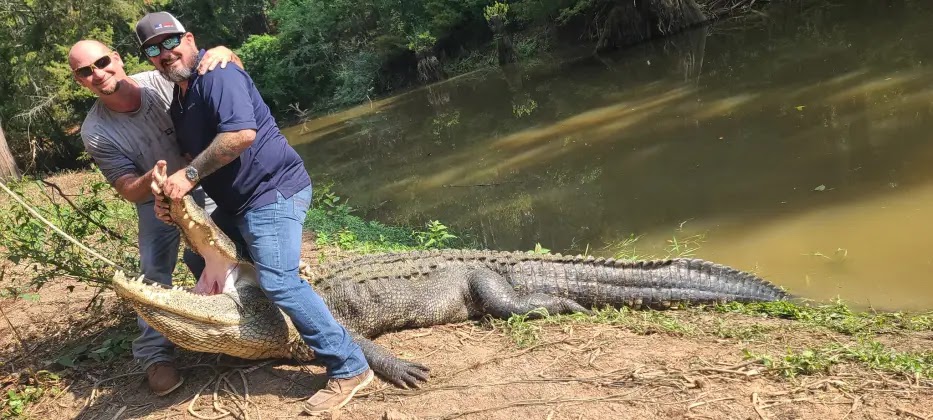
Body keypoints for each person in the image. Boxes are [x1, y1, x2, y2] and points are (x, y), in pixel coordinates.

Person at [137, 12, 374, 415]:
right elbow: (196, 155)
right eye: (153, 49)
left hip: (272, 192)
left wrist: (190, 174)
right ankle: (256, 328)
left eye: (170, 41)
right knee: (198, 256)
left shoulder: (218, 74)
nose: (164, 53)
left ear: (189, 38)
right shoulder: (180, 93)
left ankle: (349, 366)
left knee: (280, 281)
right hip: (237, 203)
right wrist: (171, 197)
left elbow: (241, 134)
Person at [68, 39, 239, 396]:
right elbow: (128, 189)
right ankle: (154, 355)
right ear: (79, 80)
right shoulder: (95, 131)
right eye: (85, 71)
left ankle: (232, 322)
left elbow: (206, 72)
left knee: (218, 255)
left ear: (116, 58)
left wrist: (223, 53)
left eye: (101, 62)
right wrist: (152, 180)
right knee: (153, 273)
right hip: (153, 201)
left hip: (199, 183)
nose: (97, 73)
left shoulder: (160, 81)